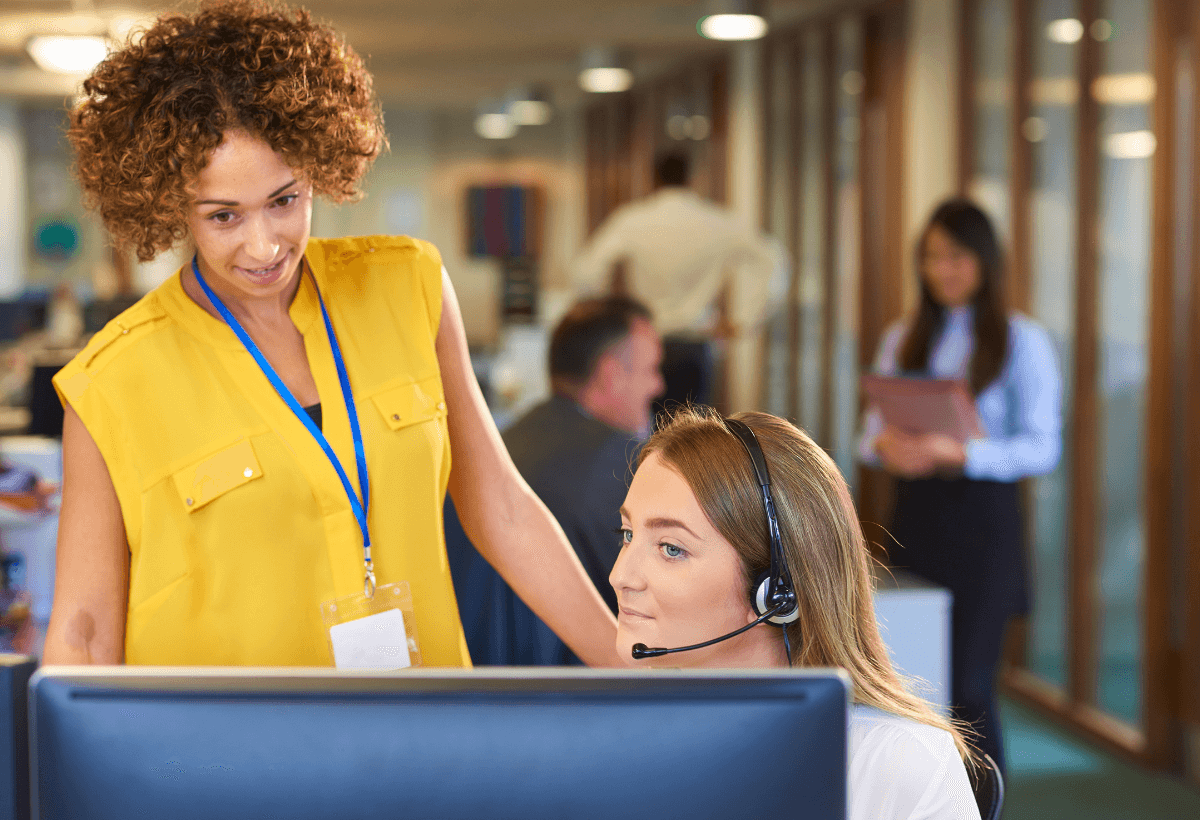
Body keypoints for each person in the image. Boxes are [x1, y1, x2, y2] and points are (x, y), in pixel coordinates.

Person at [42, 0, 620, 668]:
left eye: (285, 201)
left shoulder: (411, 288)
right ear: (173, 206)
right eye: (224, 216)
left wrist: (632, 668)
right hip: (221, 759)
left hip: (415, 733)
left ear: (318, 166)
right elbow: (84, 631)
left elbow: (503, 511)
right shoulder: (112, 382)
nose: (263, 246)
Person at [612, 407, 981, 820]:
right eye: (627, 535)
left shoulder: (901, 764)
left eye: (671, 548)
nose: (620, 575)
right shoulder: (626, 746)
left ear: (777, 589)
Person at [858, 198, 1063, 773]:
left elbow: (1043, 446)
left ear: (985, 260)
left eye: (956, 257)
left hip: (984, 524)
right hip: (915, 517)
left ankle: (981, 805)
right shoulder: (904, 337)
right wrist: (885, 447)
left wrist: (963, 453)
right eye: (931, 258)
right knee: (911, 679)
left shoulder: (1022, 341)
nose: (943, 270)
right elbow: (867, 433)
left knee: (971, 687)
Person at [447, 295, 663, 665]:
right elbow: (655, 595)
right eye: (651, 369)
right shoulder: (622, 462)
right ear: (611, 375)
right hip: (582, 686)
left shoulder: (502, 444)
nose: (658, 386)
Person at [569, 151, 780, 411]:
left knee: (646, 437)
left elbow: (585, 272)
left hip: (644, 344)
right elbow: (773, 262)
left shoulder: (633, 220)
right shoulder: (717, 221)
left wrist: (607, 321)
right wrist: (743, 321)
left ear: (653, 180)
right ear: (693, 179)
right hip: (696, 345)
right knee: (692, 440)